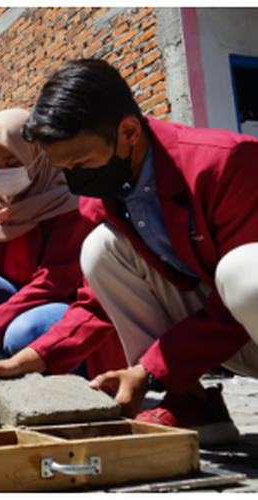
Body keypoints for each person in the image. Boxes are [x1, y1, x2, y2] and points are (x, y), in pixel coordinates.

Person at [21, 58, 258, 446]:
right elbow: (96, 304)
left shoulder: (227, 163)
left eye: (81, 163)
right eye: (64, 169)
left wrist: (148, 371)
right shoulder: (106, 201)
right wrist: (32, 358)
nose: (75, 180)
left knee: (244, 272)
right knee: (100, 249)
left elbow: (240, 300)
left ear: (128, 131)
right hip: (241, 339)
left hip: (247, 312)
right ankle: (194, 404)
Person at [0, 109, 126, 381]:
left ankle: (68, 385)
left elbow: (53, 285)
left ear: (36, 157)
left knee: (22, 332)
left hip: (65, 314)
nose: (0, 173)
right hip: (15, 310)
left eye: (11, 162)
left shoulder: (67, 205)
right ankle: (8, 379)